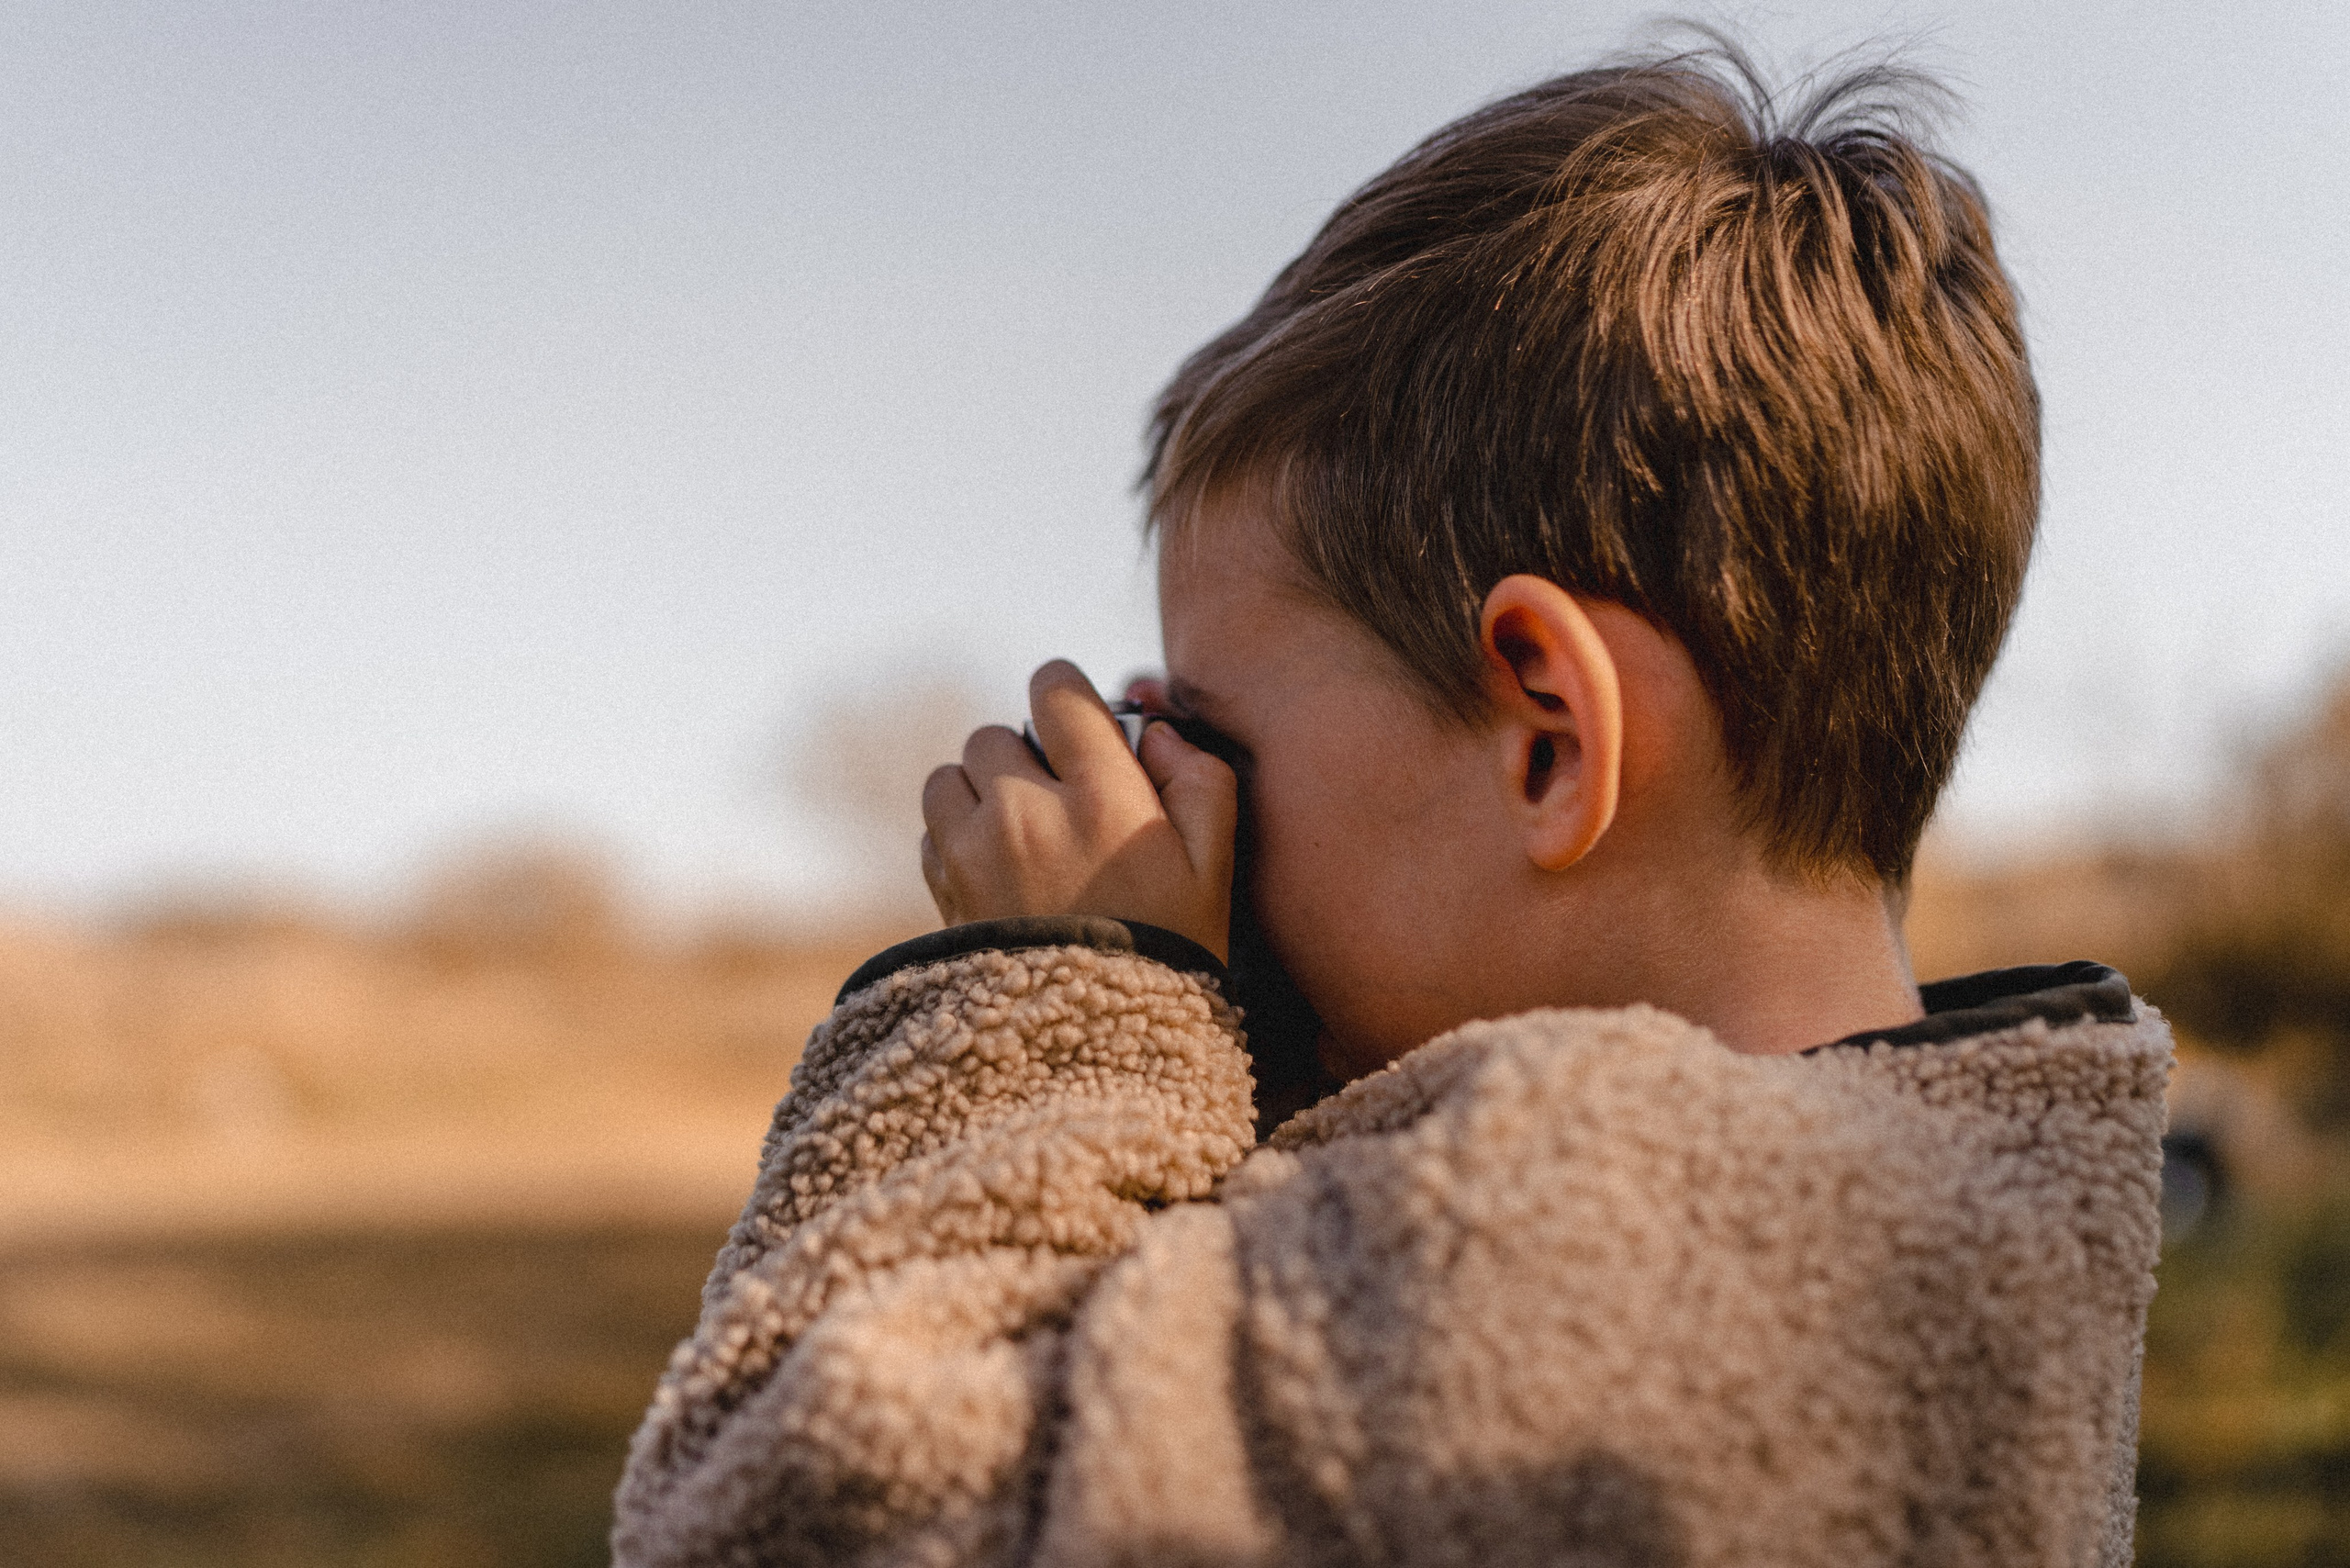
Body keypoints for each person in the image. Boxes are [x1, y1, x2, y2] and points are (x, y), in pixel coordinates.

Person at [614, 39, 2169, 1568]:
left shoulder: (1608, 1249)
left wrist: (1062, 996)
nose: (1177, 795)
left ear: (1549, 735)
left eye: (1211, 735)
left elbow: (785, 1508)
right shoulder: (1956, 1210)